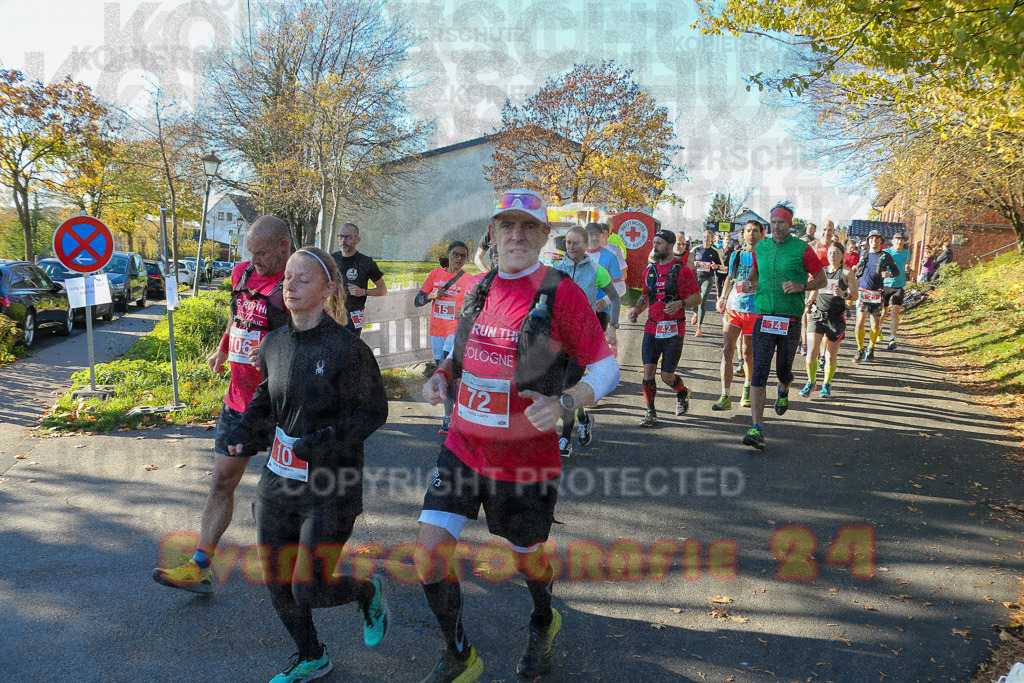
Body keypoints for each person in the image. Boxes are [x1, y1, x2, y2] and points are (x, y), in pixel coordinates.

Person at [418, 189, 619, 682]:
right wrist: (442, 374)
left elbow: (606, 365)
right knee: (428, 555)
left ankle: (544, 617)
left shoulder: (559, 293)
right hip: (463, 446)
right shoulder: (480, 288)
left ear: (544, 236)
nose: (516, 235)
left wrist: (568, 401)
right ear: (493, 231)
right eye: (507, 225)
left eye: (529, 226)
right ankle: (460, 655)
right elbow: (460, 356)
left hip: (525, 459)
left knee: (528, 558)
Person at [225, 246, 390, 682]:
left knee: (310, 586)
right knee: (278, 579)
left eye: (302, 279)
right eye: (287, 279)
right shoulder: (274, 343)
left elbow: (373, 413)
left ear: (327, 290)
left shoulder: (348, 349)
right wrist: (244, 431)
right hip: (279, 483)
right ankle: (311, 655)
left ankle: (364, 591)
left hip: (331, 486)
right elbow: (266, 399)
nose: (290, 286)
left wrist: (320, 443)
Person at [153, 216, 291, 594]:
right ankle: (200, 566)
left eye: (261, 252)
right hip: (239, 401)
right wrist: (222, 348)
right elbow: (237, 316)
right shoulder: (242, 273)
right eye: (251, 251)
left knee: (287, 494)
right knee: (221, 482)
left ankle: (308, 570)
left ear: (283, 246)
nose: (254, 259)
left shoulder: (295, 283)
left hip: (283, 409)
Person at [737, 203, 826, 450]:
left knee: (783, 371)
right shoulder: (761, 247)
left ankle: (784, 389)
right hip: (764, 316)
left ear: (790, 225)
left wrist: (801, 287)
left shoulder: (802, 249)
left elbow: (822, 279)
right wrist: (748, 281)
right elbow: (755, 270)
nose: (777, 227)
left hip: (790, 319)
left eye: (782, 223)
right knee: (759, 371)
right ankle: (757, 427)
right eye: (773, 222)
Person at [554, 225, 621, 457]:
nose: (571, 247)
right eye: (568, 243)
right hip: (558, 339)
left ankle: (565, 439)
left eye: (576, 243)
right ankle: (583, 418)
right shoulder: (555, 269)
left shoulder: (597, 270)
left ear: (585, 245)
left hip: (582, 339)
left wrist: (613, 325)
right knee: (559, 389)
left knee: (568, 388)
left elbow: (614, 298)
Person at [629, 229, 701, 427]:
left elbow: (697, 298)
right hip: (652, 328)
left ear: (670, 246)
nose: (655, 247)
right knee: (648, 372)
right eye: (654, 243)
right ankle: (650, 412)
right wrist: (636, 310)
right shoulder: (649, 271)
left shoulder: (682, 270)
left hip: (674, 330)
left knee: (667, 377)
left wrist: (680, 304)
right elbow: (646, 296)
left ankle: (682, 392)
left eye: (659, 243)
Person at [415, 241, 471, 435]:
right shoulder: (435, 275)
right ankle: (449, 416)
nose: (459, 259)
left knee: (453, 375)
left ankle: (450, 418)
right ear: (448, 254)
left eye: (463, 256)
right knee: (443, 376)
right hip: (437, 333)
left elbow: (476, 307)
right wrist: (431, 296)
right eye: (456, 254)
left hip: (456, 334)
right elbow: (418, 300)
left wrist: (463, 313)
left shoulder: (469, 279)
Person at [712, 220, 764, 411]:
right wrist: (722, 298)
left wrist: (756, 286)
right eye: (748, 231)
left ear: (762, 234)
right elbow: (729, 278)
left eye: (756, 231)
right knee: (727, 350)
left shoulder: (765, 255)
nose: (751, 234)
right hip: (734, 308)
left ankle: (747, 390)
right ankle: (725, 395)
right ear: (743, 234)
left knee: (748, 353)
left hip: (755, 310)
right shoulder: (737, 254)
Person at [799, 241, 858, 398]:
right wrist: (809, 301)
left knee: (830, 355)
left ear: (842, 256)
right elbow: (815, 291)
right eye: (831, 253)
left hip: (836, 318)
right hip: (817, 315)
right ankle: (811, 382)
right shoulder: (822, 272)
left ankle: (826, 384)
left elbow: (855, 296)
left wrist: (844, 295)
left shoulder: (846, 273)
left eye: (837, 253)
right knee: (812, 352)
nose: (833, 256)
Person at [331, 223, 386, 337]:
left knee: (350, 351)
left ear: (358, 240)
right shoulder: (331, 260)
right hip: (333, 314)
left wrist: (363, 292)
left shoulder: (366, 262)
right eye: (341, 237)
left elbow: (382, 290)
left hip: (354, 317)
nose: (343, 240)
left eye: (348, 237)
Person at [853, 230, 899, 363]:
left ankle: (871, 348)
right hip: (863, 292)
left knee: (875, 323)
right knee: (860, 322)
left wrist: (888, 274)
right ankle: (860, 349)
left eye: (877, 238)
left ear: (881, 241)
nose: (874, 240)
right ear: (868, 241)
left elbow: (896, 271)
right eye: (872, 238)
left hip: (877, 293)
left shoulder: (886, 255)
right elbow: (858, 273)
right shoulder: (864, 254)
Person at [802, 221, 836, 357]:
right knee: (806, 315)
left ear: (833, 231)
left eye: (830, 230)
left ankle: (822, 352)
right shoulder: (813, 245)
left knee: (826, 318)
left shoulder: (835, 247)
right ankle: (805, 343)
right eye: (824, 229)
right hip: (811, 285)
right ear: (820, 231)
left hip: (829, 288)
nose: (826, 232)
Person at [689, 228, 725, 337]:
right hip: (696, 277)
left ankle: (699, 328)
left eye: (708, 237)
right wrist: (695, 263)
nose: (706, 239)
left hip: (708, 278)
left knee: (703, 299)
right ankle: (695, 312)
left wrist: (717, 266)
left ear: (712, 239)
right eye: (704, 237)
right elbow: (687, 262)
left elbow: (722, 266)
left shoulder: (715, 251)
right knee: (692, 301)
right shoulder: (696, 249)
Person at [882, 232, 912, 350]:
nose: (900, 242)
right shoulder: (887, 252)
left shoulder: (906, 253)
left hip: (900, 286)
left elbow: (906, 264)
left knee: (895, 313)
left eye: (902, 240)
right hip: (886, 285)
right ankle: (878, 329)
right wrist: (884, 273)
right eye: (897, 240)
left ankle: (892, 339)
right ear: (893, 241)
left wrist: (908, 269)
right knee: (883, 312)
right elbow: (881, 267)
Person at [585, 223, 626, 296]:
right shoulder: (578, 254)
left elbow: (621, 287)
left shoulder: (611, 256)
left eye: (597, 235)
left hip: (602, 305)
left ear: (601, 236)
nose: (594, 238)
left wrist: (606, 300)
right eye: (591, 235)